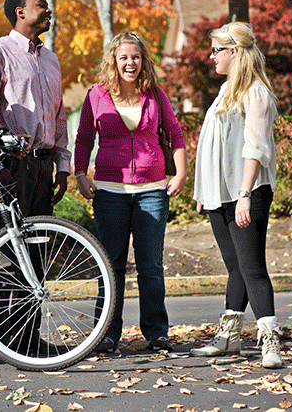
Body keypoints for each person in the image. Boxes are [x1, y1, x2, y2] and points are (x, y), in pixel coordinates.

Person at [0, 0, 71, 350]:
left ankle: (29, 339)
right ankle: (3, 339)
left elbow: (59, 116)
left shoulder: (51, 60)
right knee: (7, 254)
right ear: (19, 12)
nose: (48, 10)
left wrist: (63, 165)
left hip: (43, 168)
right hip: (12, 164)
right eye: (41, 5)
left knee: (36, 252)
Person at [74, 32, 187, 353]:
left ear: (143, 61)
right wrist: (81, 174)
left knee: (151, 264)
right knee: (111, 265)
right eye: (123, 57)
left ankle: (157, 332)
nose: (130, 63)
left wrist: (181, 173)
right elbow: (83, 138)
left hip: (152, 190)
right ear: (113, 60)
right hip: (110, 191)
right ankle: (107, 333)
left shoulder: (155, 94)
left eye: (135, 57)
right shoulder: (96, 95)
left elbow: (176, 135)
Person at [191, 22, 282, 369]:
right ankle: (229, 337)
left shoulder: (255, 92)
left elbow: (255, 149)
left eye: (216, 50)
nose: (211, 56)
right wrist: (205, 192)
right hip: (221, 194)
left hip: (247, 191)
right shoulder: (226, 89)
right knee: (235, 267)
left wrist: (244, 194)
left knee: (252, 267)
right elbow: (214, 146)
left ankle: (270, 341)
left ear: (234, 52)